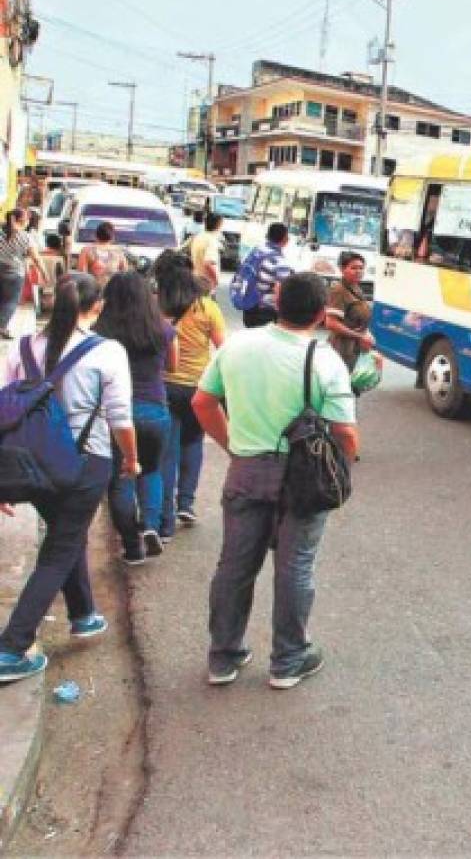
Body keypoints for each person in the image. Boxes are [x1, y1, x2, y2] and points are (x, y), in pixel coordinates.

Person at [193, 273, 357, 690]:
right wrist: (344, 465)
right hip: (301, 479)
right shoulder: (324, 361)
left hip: (245, 471)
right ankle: (288, 660)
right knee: (295, 567)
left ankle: (223, 658)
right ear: (322, 315)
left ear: (277, 300)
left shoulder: (236, 345)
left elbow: (203, 401)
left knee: (234, 565)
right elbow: (345, 433)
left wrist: (232, 443)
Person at [0, 274, 138, 682]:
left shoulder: (23, 348)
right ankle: (11, 648)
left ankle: (83, 615)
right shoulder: (107, 351)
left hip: (32, 465)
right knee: (60, 548)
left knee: (66, 533)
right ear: (96, 307)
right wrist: (131, 460)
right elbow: (120, 417)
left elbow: (5, 413)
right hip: (86, 462)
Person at [93, 272, 178, 563]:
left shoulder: (99, 332)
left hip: (115, 415)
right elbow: (173, 366)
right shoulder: (163, 330)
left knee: (121, 479)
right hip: (155, 410)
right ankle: (151, 527)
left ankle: (132, 545)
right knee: (152, 471)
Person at [156, 251, 224, 532]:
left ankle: (165, 516)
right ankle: (185, 504)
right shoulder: (207, 307)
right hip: (198, 388)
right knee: (193, 445)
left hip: (164, 386)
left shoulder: (157, 306)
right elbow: (223, 348)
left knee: (167, 452)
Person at [323, 252, 376, 374]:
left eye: (361, 268)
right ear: (342, 269)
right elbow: (331, 323)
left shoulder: (356, 288)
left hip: (356, 348)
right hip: (341, 349)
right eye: (353, 268)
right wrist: (360, 336)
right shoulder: (338, 290)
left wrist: (366, 334)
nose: (358, 271)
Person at [0, 208, 46, 339]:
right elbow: (36, 258)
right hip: (14, 273)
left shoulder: (1, 232)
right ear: (23, 220)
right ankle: (2, 327)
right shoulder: (25, 237)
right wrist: (44, 273)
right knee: (10, 301)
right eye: (27, 220)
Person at [241, 222, 292, 328]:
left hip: (249, 305)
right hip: (265, 311)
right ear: (285, 239)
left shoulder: (255, 252)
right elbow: (280, 289)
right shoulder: (279, 261)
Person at [78, 221, 127, 287]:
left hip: (93, 291)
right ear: (112, 237)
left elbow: (82, 275)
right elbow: (125, 274)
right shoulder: (118, 252)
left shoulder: (87, 251)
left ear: (95, 235)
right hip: (112, 292)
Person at [187, 212, 222, 293]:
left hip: (195, 279)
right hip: (206, 284)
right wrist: (215, 280)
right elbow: (208, 263)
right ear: (218, 225)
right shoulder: (211, 241)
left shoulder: (198, 237)